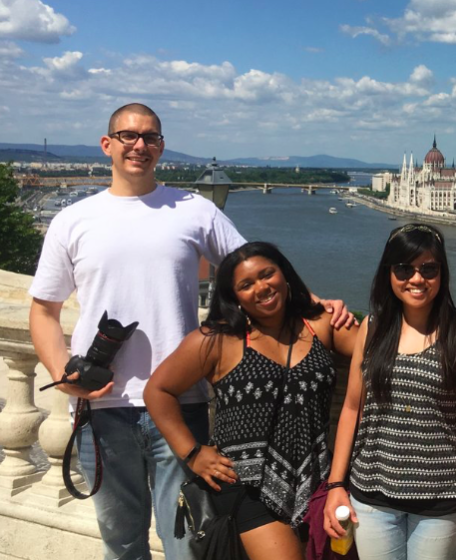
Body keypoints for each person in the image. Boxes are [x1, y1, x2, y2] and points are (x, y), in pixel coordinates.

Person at [27, 103, 351, 560]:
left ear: (161, 146)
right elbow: (43, 310)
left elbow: (255, 270)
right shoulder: (72, 221)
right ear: (107, 145)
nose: (140, 145)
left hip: (182, 409)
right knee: (120, 542)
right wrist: (63, 369)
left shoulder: (194, 209)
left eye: (151, 137)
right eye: (128, 136)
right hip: (102, 409)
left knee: (189, 546)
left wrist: (315, 304)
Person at [144, 242, 359, 559]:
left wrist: (348, 312)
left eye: (267, 274)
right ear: (234, 297)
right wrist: (192, 453)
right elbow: (158, 391)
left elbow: (377, 351)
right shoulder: (217, 340)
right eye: (246, 285)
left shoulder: (319, 325)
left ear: (284, 275)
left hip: (316, 476)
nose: (261, 288)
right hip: (246, 483)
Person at [323, 223, 456, 560]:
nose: (416, 279)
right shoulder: (372, 328)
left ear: (441, 273)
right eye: (404, 269)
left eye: (428, 269)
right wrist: (335, 485)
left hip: (442, 500)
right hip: (372, 494)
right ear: (389, 272)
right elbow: (352, 408)